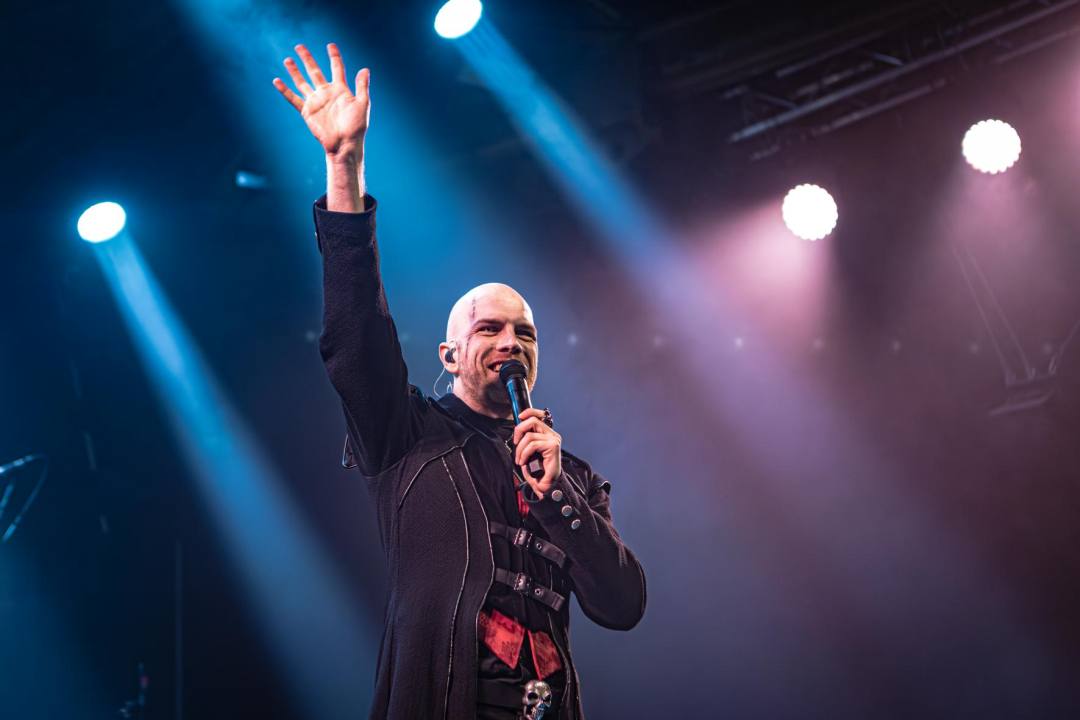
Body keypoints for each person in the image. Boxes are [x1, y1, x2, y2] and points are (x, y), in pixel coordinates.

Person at [273, 42, 646, 720]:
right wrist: (344, 167)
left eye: (524, 333)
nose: (509, 343)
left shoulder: (574, 476)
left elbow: (622, 605)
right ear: (448, 355)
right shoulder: (407, 434)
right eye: (489, 329)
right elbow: (355, 334)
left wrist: (557, 495)